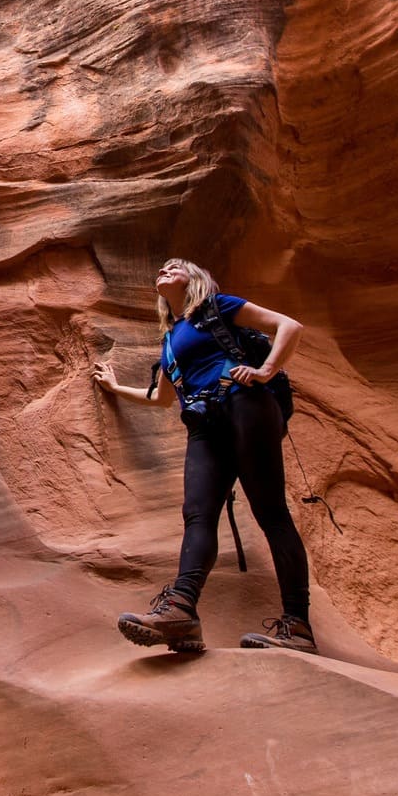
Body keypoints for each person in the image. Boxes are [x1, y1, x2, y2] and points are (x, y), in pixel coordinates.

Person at [91, 257, 316, 654]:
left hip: (244, 402)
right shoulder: (170, 341)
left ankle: (298, 627)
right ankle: (181, 614)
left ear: (195, 279)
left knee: (271, 514)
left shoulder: (217, 306)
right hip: (204, 425)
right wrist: (114, 388)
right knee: (197, 514)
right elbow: (162, 399)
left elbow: (289, 326)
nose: (165, 269)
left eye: (176, 266)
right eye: (160, 267)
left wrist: (264, 370)